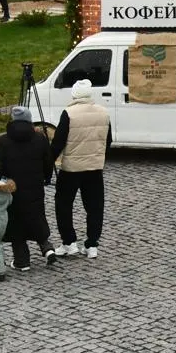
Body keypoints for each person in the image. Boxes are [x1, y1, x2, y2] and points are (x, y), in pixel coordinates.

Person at [50, 78, 112, 258]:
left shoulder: (69, 113)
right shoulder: (103, 113)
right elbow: (108, 141)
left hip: (71, 169)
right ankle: (92, 244)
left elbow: (58, 143)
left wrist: (46, 165)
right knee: (94, 207)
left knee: (63, 205)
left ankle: (69, 242)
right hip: (94, 168)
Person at [0, 106, 56, 270]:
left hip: (13, 189)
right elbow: (48, 161)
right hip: (35, 187)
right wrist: (46, 177)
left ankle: (22, 261)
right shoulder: (40, 138)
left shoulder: (4, 141)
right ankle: (47, 248)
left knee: (16, 225)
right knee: (36, 217)